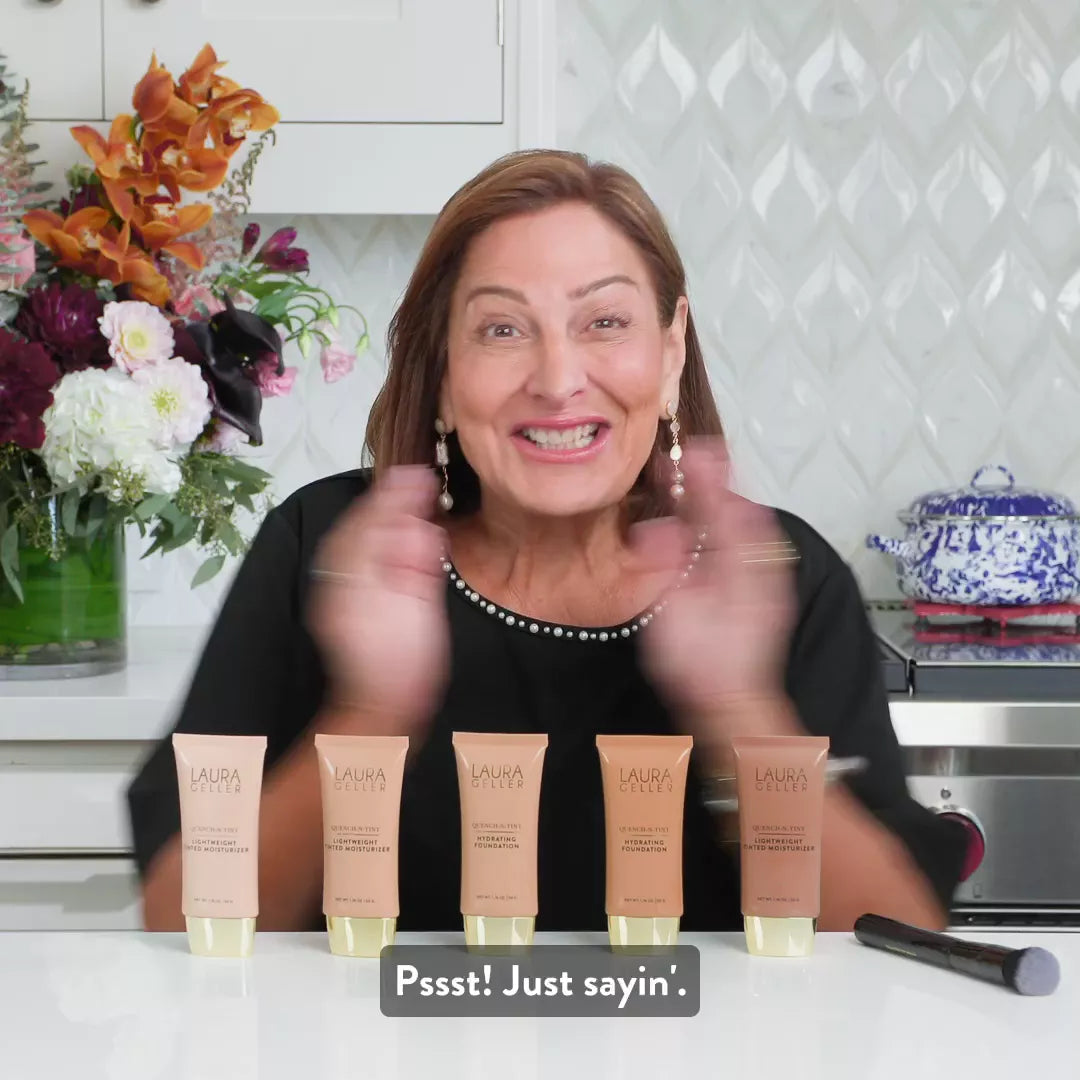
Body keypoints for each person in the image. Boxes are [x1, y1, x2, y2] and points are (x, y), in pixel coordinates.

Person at [128, 149, 967, 934]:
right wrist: (369, 712)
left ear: (671, 351)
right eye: (502, 329)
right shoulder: (323, 550)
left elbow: (893, 946)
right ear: (445, 376)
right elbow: (179, 926)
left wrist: (740, 709)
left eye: (605, 321)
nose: (559, 380)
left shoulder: (775, 574)